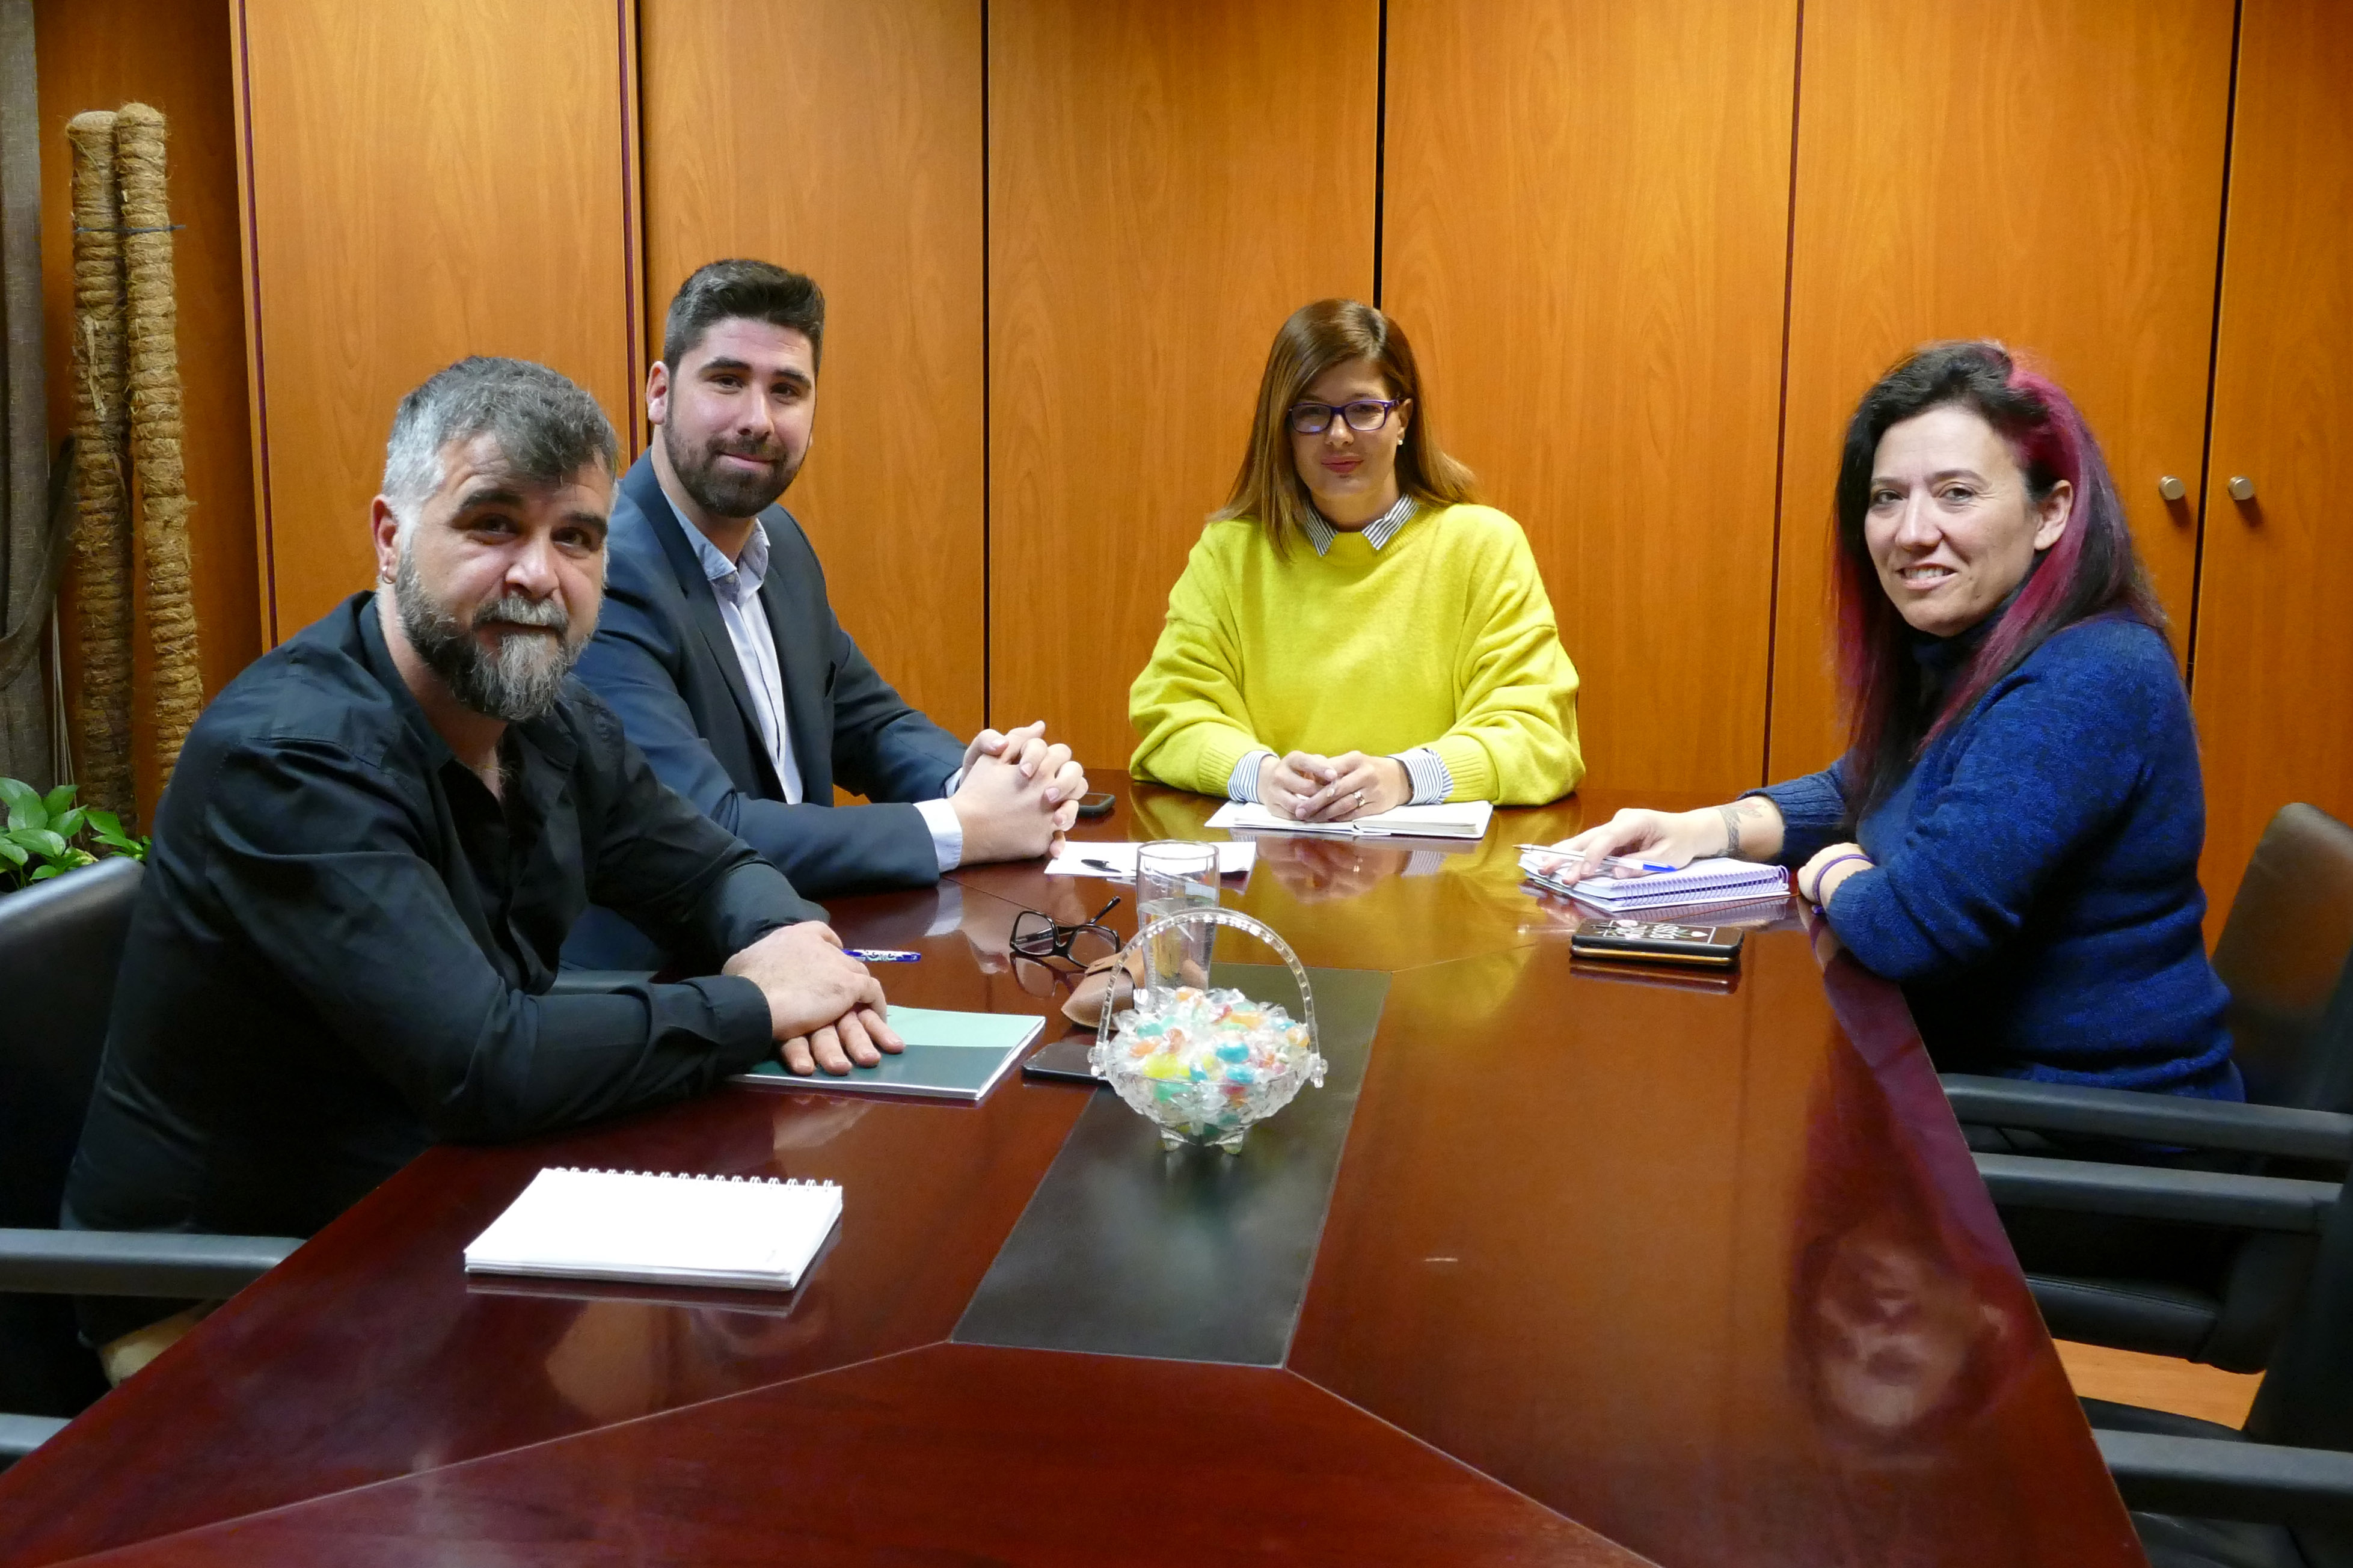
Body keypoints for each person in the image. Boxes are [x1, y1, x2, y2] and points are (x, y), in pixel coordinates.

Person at [64, 357, 900, 1374]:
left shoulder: (546, 714)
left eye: (576, 538)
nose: (539, 576)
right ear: (390, 538)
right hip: (230, 1291)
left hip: (439, 1208)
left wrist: (784, 935)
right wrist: (759, 1005)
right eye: (494, 524)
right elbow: (483, 1062)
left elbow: (708, 866)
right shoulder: (289, 757)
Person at [1540, 340, 2237, 1098]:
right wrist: (1708, 828)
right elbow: (1872, 784)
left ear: (2051, 512)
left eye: (1956, 493)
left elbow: (1909, 928)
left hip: (2090, 1130)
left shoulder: (2089, 674)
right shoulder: (1979, 650)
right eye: (1886, 498)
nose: (1910, 532)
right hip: (1974, 1088)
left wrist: (1832, 870)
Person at [566, 259, 1083, 967]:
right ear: (659, 392)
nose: (757, 419)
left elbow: (868, 723)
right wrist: (964, 826)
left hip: (808, 956)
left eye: (786, 390)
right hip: (672, 986)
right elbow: (705, 827)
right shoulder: (605, 573)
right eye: (726, 381)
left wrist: (993, 780)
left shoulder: (780, 543)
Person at [1126, 298, 1583, 821]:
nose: (1338, 435)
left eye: (1363, 410)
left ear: (1402, 419)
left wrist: (1404, 778)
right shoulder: (1230, 553)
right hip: (1269, 859)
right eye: (1311, 413)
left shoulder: (1483, 546)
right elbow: (1170, 716)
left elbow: (1539, 735)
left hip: (1441, 867)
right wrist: (1261, 777)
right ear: (1282, 429)